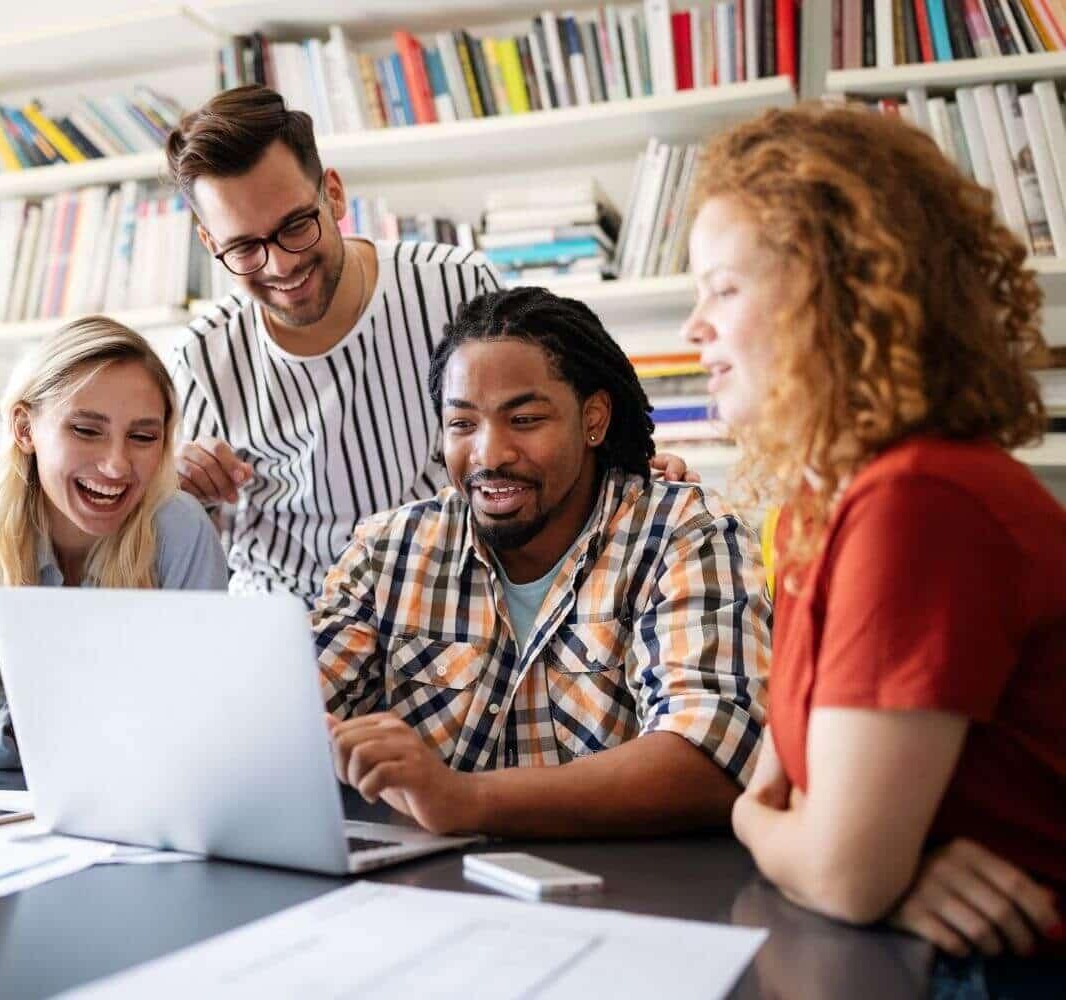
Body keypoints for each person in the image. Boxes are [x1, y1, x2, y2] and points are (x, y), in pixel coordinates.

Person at [680, 105, 1066, 975]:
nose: (693, 327)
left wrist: (824, 855)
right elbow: (788, 808)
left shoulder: (921, 501)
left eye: (724, 289)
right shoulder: (816, 510)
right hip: (907, 951)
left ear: (837, 291)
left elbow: (839, 869)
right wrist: (860, 865)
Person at [165, 85, 694, 604]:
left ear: (333, 193)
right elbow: (177, 539)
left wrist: (623, 470)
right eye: (244, 248)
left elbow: (539, 424)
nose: (281, 264)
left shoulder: (455, 285)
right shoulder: (200, 360)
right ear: (210, 243)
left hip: (445, 606)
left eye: (296, 226)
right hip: (290, 617)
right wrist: (178, 488)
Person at [318, 286, 771, 837]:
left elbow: (710, 758)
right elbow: (284, 713)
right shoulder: (388, 550)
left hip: (625, 883)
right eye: (462, 424)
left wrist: (464, 798)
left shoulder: (683, 533)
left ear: (593, 418)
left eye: (525, 419)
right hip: (424, 881)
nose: (490, 454)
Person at [0, 317, 228, 768]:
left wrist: (28, 729)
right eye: (86, 430)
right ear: (25, 429)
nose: (117, 466)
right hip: (7, 785)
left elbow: (196, 712)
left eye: (143, 437)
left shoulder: (182, 530)